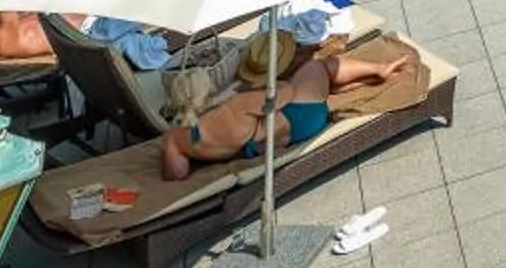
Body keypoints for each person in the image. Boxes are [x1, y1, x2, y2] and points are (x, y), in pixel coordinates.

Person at [157, 32, 401, 181]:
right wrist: (271, 83)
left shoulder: (175, 138)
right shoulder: (234, 106)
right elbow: (286, 94)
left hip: (258, 144)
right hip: (302, 121)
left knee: (311, 86)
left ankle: (354, 82)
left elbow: (176, 174)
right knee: (317, 67)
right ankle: (378, 70)